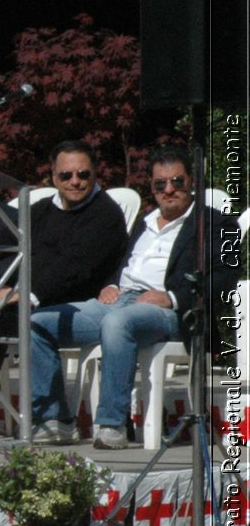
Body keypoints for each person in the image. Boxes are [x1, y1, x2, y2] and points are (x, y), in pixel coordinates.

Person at [27, 145, 237, 450]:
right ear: (151, 186)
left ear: (192, 181)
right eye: (160, 184)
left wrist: (173, 297)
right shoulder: (146, 221)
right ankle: (55, 420)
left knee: (117, 323)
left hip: (171, 313)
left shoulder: (216, 224)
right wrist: (111, 283)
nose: (169, 190)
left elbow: (225, 277)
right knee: (36, 323)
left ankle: (112, 425)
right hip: (119, 301)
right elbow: (123, 263)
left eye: (177, 182)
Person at [0, 140, 130, 431]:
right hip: (35, 301)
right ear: (53, 176)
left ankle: (53, 417)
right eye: (66, 176)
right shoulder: (42, 210)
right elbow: (0, 244)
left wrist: (25, 295)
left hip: (80, 307)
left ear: (95, 174)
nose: (75, 182)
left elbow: (73, 269)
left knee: (27, 322)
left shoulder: (105, 215)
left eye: (83, 175)